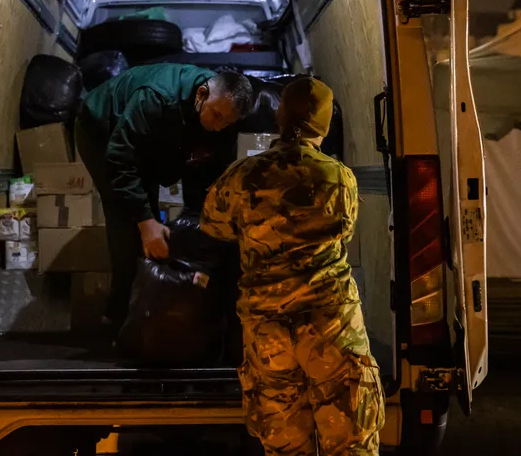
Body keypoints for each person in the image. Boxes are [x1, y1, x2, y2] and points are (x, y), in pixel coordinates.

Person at [200, 77, 385, 456]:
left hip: (269, 333)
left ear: (279, 116)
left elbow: (212, 224)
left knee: (285, 446)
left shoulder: (243, 175)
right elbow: (344, 232)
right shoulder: (339, 178)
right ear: (325, 123)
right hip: (330, 324)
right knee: (351, 444)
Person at [74, 63, 254, 335]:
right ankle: (117, 319)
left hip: (146, 132)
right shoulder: (156, 98)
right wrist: (146, 224)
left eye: (226, 123)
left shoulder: (215, 108)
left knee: (149, 201)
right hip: (102, 127)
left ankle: (149, 304)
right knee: (126, 217)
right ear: (201, 93)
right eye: (217, 117)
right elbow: (120, 160)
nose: (219, 127)